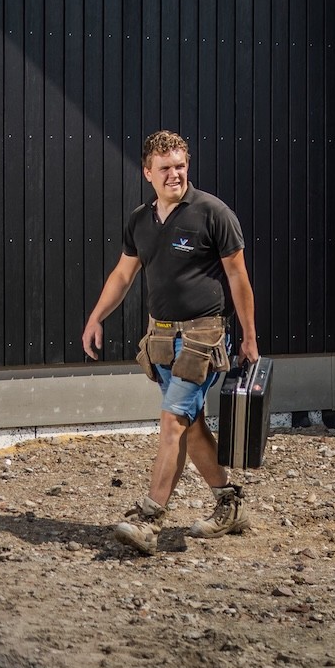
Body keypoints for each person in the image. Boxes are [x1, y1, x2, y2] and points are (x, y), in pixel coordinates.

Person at [81, 130, 260, 555]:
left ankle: (149, 520)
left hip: (203, 337)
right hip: (160, 337)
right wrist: (96, 317)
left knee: (172, 424)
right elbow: (124, 275)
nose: (175, 175)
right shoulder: (140, 220)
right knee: (191, 427)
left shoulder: (213, 213)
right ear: (148, 173)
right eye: (165, 168)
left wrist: (249, 338)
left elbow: (239, 277)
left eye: (180, 166)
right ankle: (229, 503)